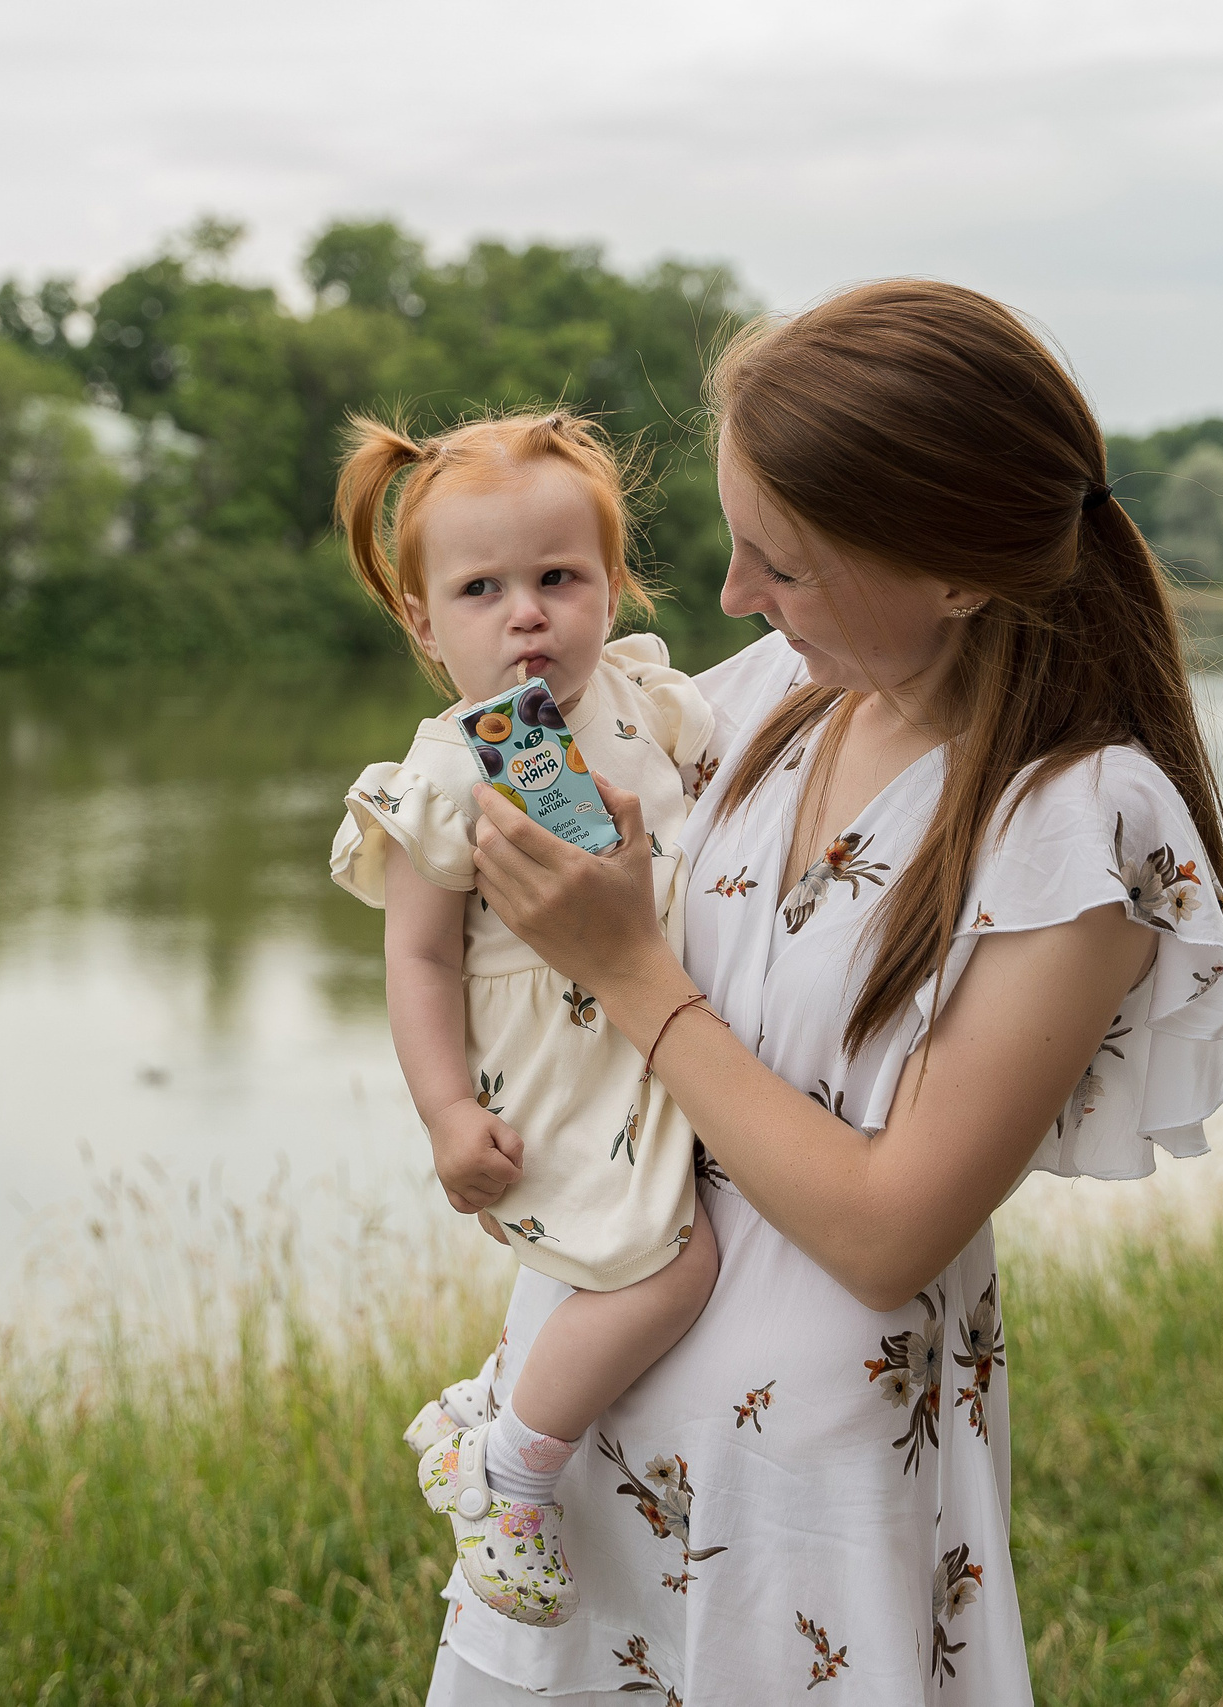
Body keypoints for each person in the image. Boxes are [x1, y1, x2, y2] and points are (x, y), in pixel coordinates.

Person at [421, 282, 1223, 1703]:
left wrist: (630, 971)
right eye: (738, 542)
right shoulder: (767, 691)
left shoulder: (1076, 826)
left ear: (954, 572)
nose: (734, 596)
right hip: (575, 1430)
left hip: (807, 1499)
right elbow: (536, 825)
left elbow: (888, 1231)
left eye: (787, 562)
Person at [328, 410, 724, 1628]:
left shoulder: (646, 700)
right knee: (666, 1266)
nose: (527, 614)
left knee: (688, 1237)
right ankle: (507, 1467)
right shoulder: (443, 775)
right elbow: (416, 961)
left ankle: (497, 1400)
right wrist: (447, 1112)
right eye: (481, 589)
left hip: (664, 1038)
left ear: (611, 585)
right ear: (424, 621)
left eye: (558, 578)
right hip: (555, 1071)